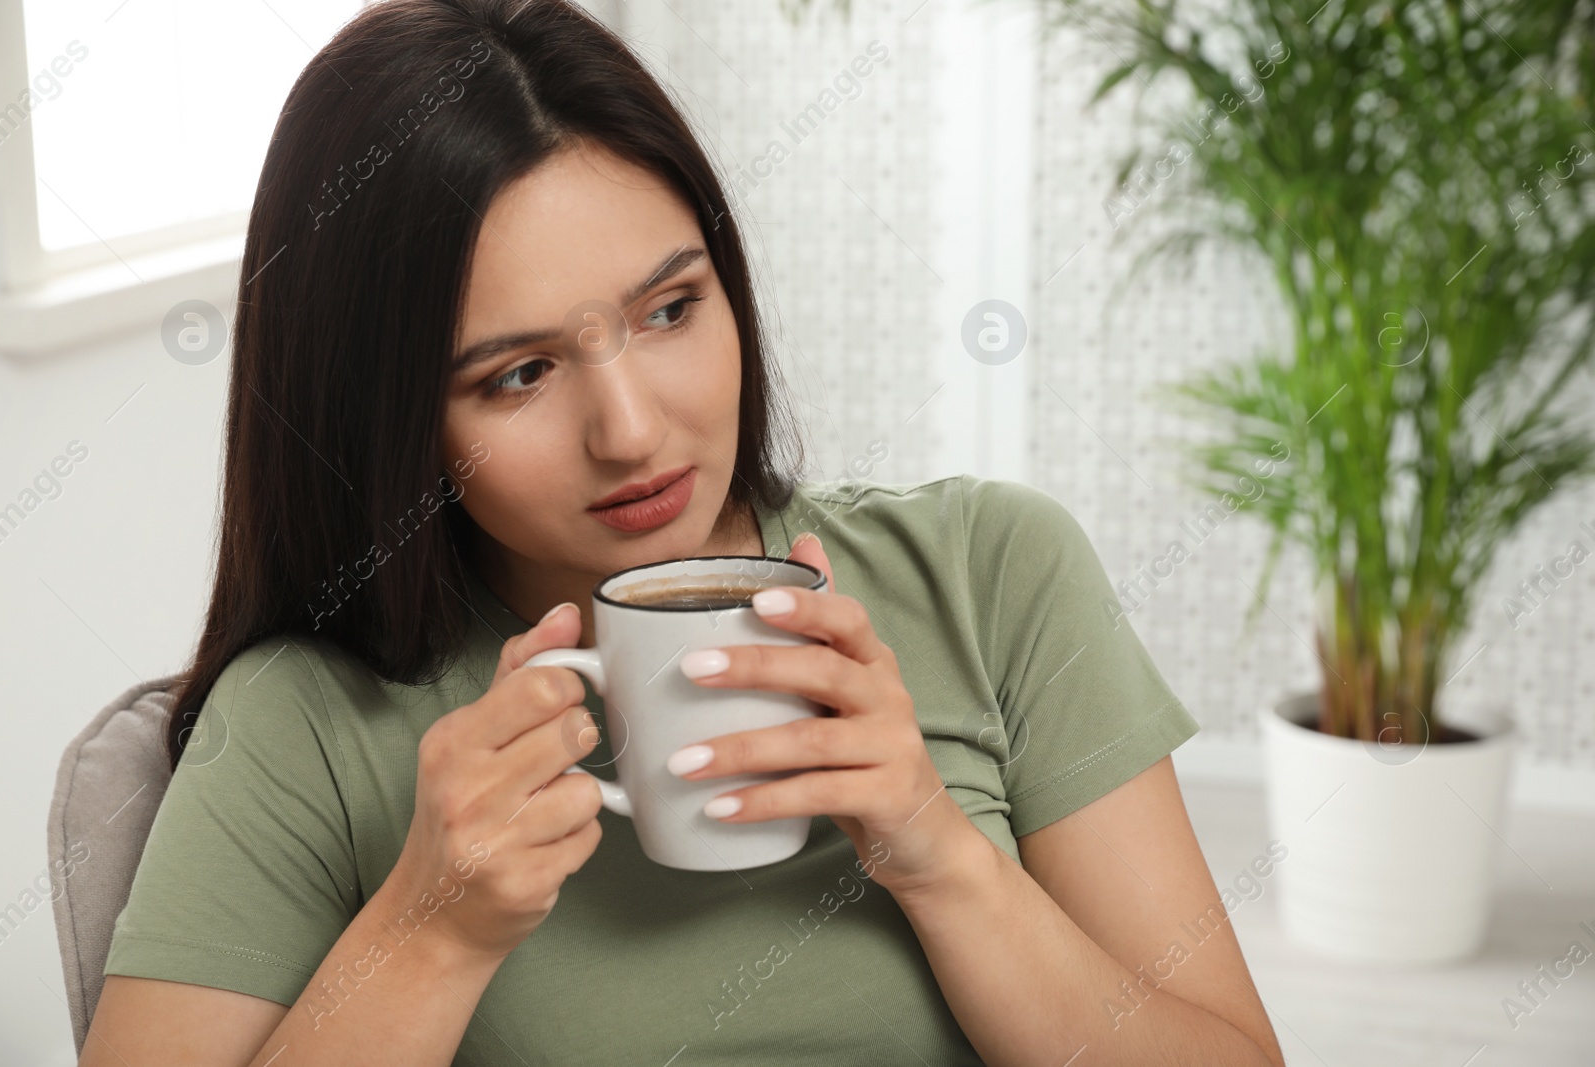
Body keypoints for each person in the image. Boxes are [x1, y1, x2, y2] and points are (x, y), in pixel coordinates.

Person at [83, 1, 1285, 1064]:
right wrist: (428, 929)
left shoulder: (992, 573)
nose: (631, 426)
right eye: (517, 375)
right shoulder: (305, 718)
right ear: (386, 416)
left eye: (670, 307)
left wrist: (938, 852)